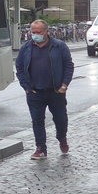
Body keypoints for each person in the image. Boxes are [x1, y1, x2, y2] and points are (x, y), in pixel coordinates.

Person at [14, 19, 74, 160]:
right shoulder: (26, 48)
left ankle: (62, 137)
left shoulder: (59, 46)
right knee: (37, 121)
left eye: (38, 32)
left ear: (46, 32)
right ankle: (41, 148)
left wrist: (64, 85)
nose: (35, 35)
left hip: (56, 92)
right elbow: (19, 67)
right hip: (35, 92)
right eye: (33, 32)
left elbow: (69, 66)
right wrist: (26, 87)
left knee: (61, 120)